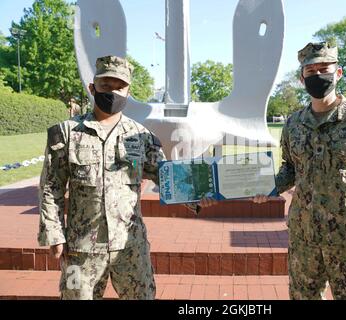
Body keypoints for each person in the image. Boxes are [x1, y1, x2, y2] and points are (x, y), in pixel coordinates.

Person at [38, 55, 216, 300]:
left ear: (128, 91)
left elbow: (166, 176)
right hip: (82, 250)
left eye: (119, 87)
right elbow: (51, 186)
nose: (112, 92)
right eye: (105, 86)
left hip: (131, 246)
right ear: (92, 88)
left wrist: (198, 195)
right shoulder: (67, 133)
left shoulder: (141, 136)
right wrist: (54, 233)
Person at [254, 42, 346, 300]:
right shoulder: (294, 123)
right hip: (305, 240)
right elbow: (290, 169)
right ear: (302, 79)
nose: (317, 75)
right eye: (310, 71)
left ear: (339, 73)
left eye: (324, 68)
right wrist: (265, 187)